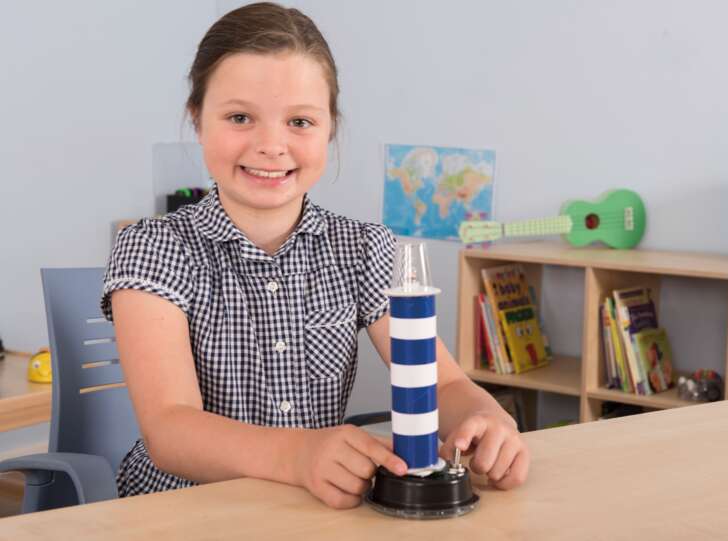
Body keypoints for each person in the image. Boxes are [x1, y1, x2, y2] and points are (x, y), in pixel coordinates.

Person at [103, 2, 528, 509]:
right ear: (197, 119)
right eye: (240, 117)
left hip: (310, 511)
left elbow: (445, 382)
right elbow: (170, 431)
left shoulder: (363, 247)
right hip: (178, 512)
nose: (271, 145)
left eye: (300, 121)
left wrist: (489, 420)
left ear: (330, 129)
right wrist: (299, 454)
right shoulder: (153, 248)